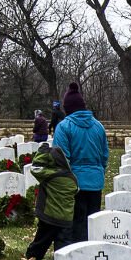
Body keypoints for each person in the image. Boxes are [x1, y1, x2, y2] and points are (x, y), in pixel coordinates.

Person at [51, 82, 108, 246]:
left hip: (74, 183)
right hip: (96, 181)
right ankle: (93, 251)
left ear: (67, 108)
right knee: (92, 222)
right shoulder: (99, 126)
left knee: (76, 223)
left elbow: (61, 158)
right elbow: (104, 156)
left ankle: (78, 252)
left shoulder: (63, 127)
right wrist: (98, 172)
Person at [25, 146, 79, 260]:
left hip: (49, 215)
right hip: (66, 217)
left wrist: (42, 152)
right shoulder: (71, 177)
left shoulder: (49, 175)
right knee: (63, 241)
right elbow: (76, 190)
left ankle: (33, 257)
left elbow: (35, 168)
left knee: (42, 239)